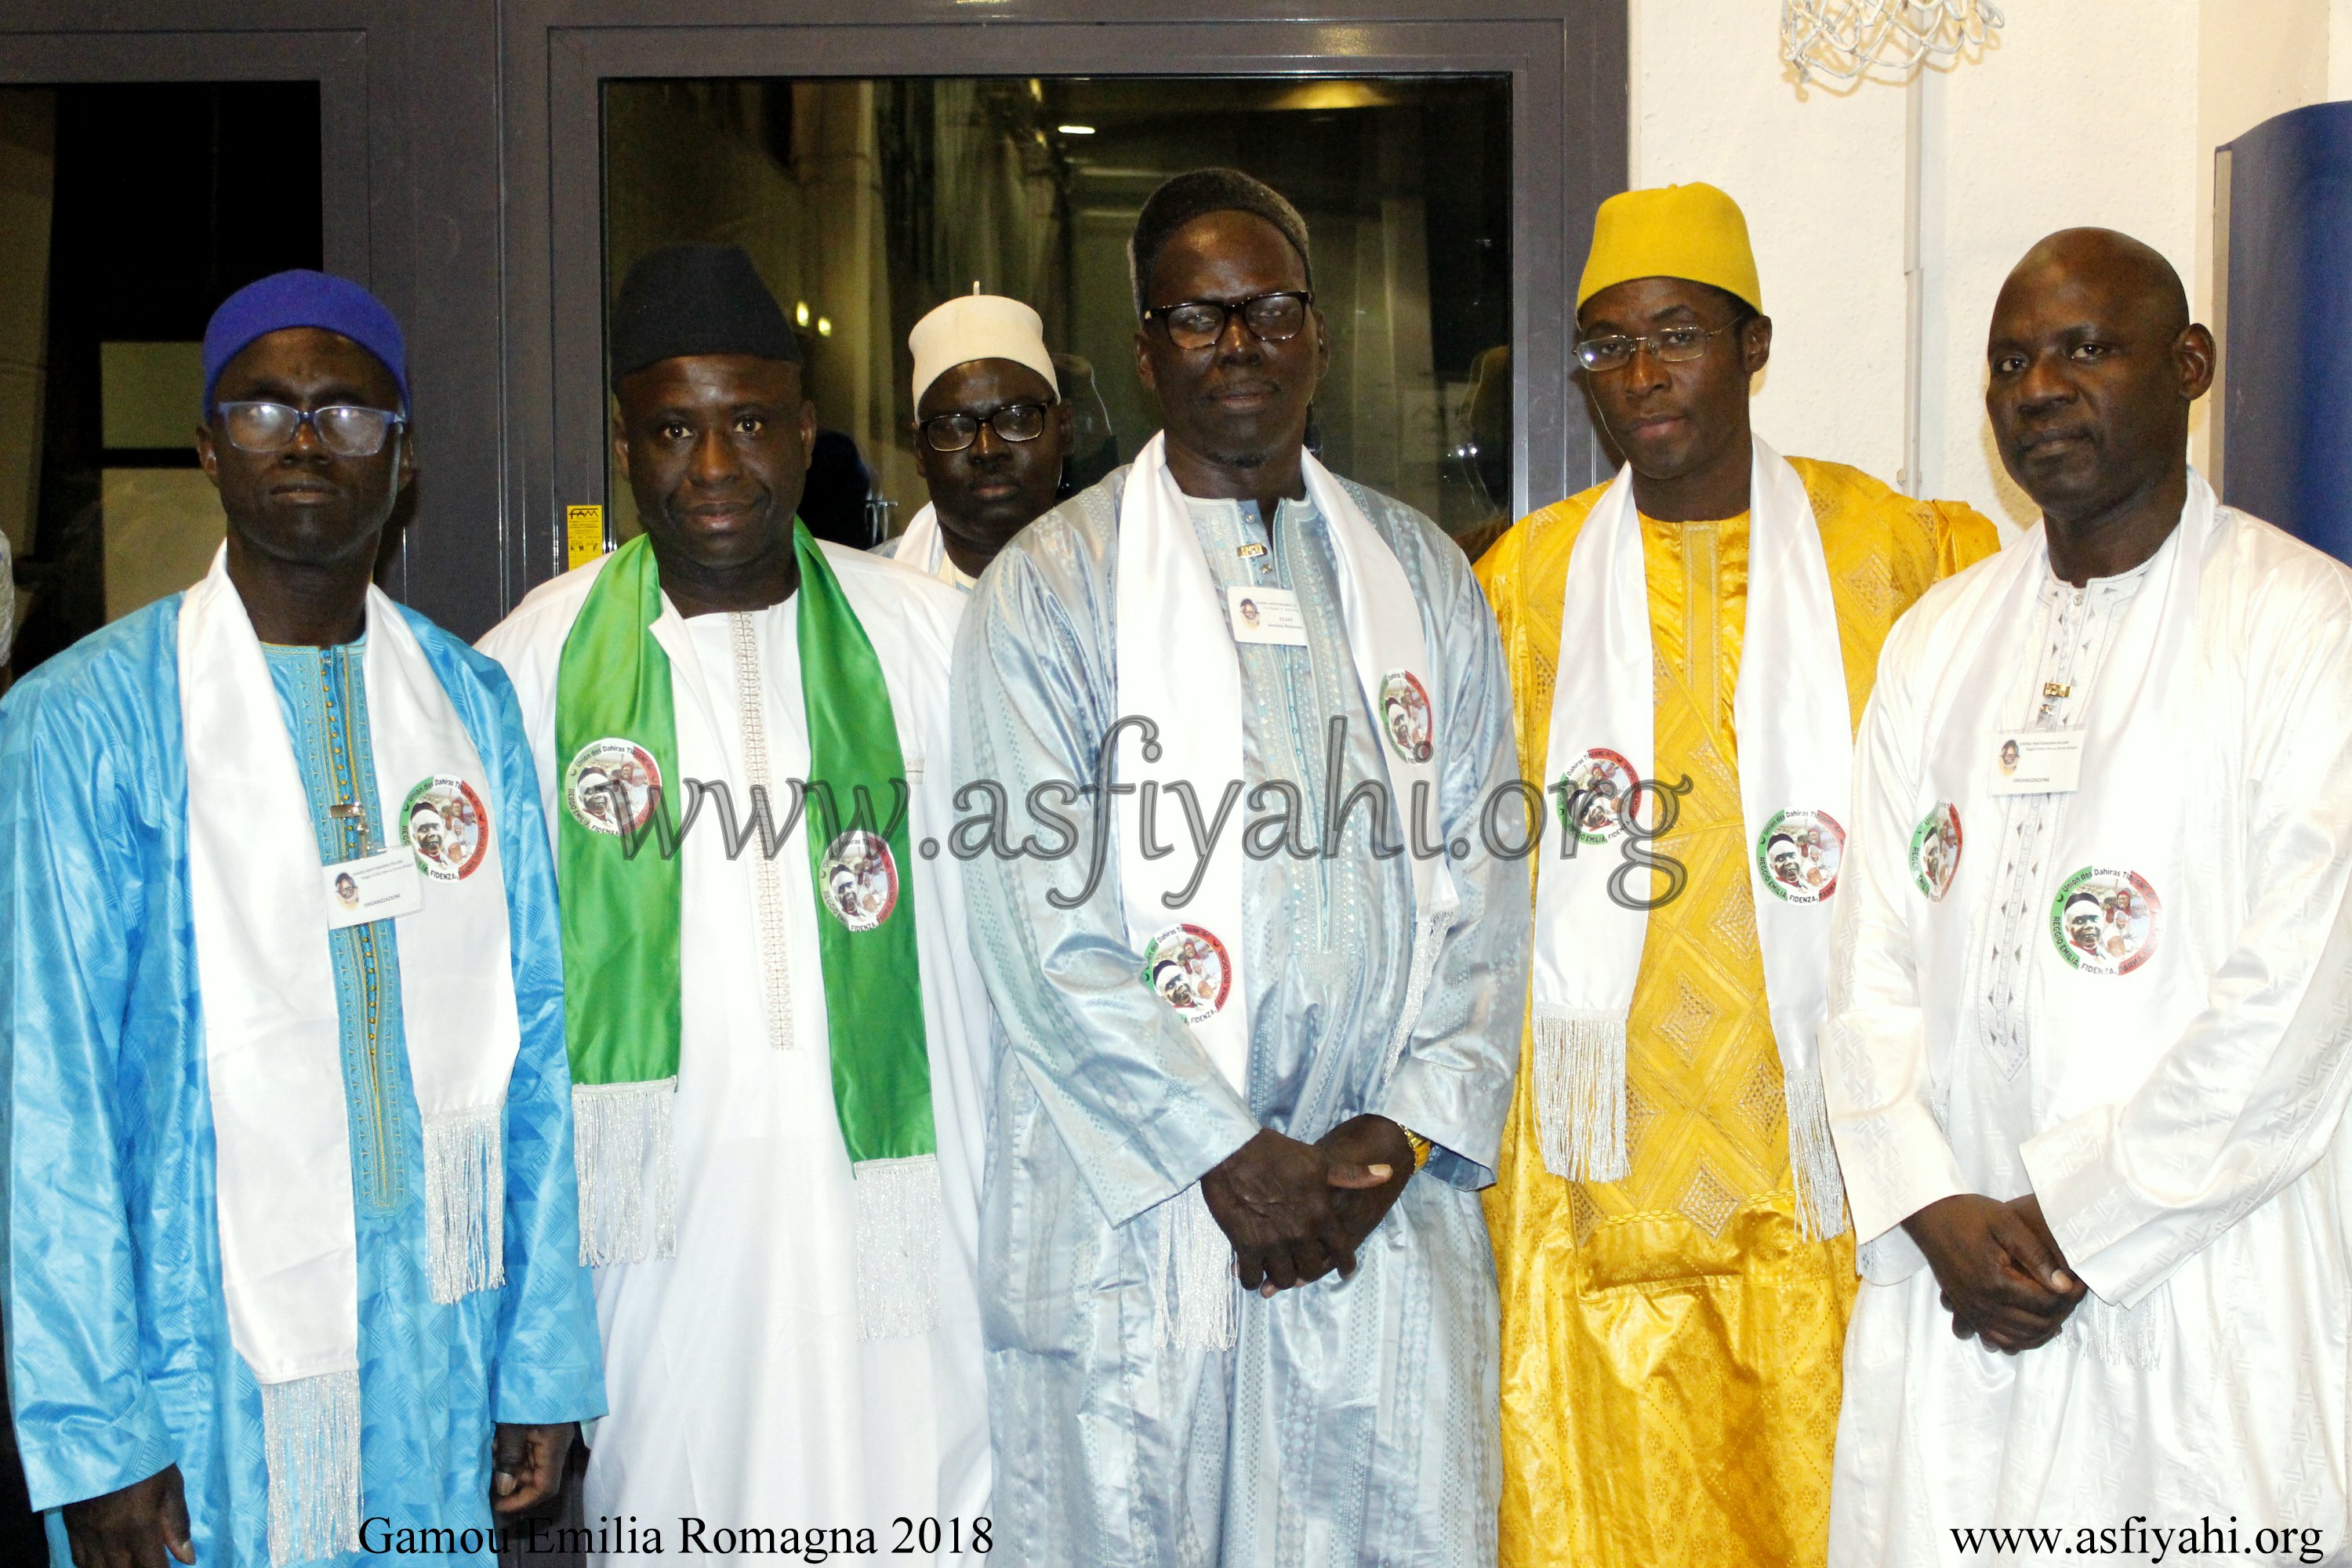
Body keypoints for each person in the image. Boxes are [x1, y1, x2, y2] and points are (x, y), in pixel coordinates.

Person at [955, 167, 1528, 1566]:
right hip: (1143, 1221)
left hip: (1375, 1211)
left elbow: (1493, 891)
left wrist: (1394, 1138)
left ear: (1321, 337)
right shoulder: (1049, 588)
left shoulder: (1425, 579)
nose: (1241, 346)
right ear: (1146, 353)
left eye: (1272, 310)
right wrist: (1224, 1154)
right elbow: (1037, 927)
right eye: (1199, 319)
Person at [0, 270, 603, 1567]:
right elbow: (46, 1104)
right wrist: (99, 1440)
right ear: (208, 446)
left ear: (406, 460)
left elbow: (536, 1043)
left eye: (348, 413)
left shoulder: (470, 704)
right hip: (198, 1369)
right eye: (266, 409)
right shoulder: (85, 725)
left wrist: (539, 1351)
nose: (308, 442)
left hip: (439, 1350)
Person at [1472, 182, 1999, 1568]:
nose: (1641, 375)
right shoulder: (1522, 585)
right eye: (1609, 346)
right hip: (1596, 1177)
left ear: (1754, 347)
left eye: (1679, 335)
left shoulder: (1904, 553)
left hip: (1838, 1170)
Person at [1822, 228, 2352, 1562]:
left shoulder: (2305, 628)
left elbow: (2296, 1004)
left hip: (2201, 1278)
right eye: (2010, 361)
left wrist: (2080, 1222)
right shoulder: (1938, 640)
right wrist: (1928, 1199)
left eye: (2084, 348)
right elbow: (1867, 958)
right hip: (1958, 1292)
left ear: (2190, 366)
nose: (2039, 386)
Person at [478, 242, 992, 1555]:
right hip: (662, 1254)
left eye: (750, 424)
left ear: (806, 432)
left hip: (915, 1230)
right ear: (625, 443)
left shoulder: (932, 640)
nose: (713, 469)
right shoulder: (531, 665)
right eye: (673, 430)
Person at [883, 292, 1073, 591]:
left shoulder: (1125, 581)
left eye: (1017, 418)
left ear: (1064, 428)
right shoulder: (864, 601)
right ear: (920, 451)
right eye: (954, 427)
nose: (987, 450)